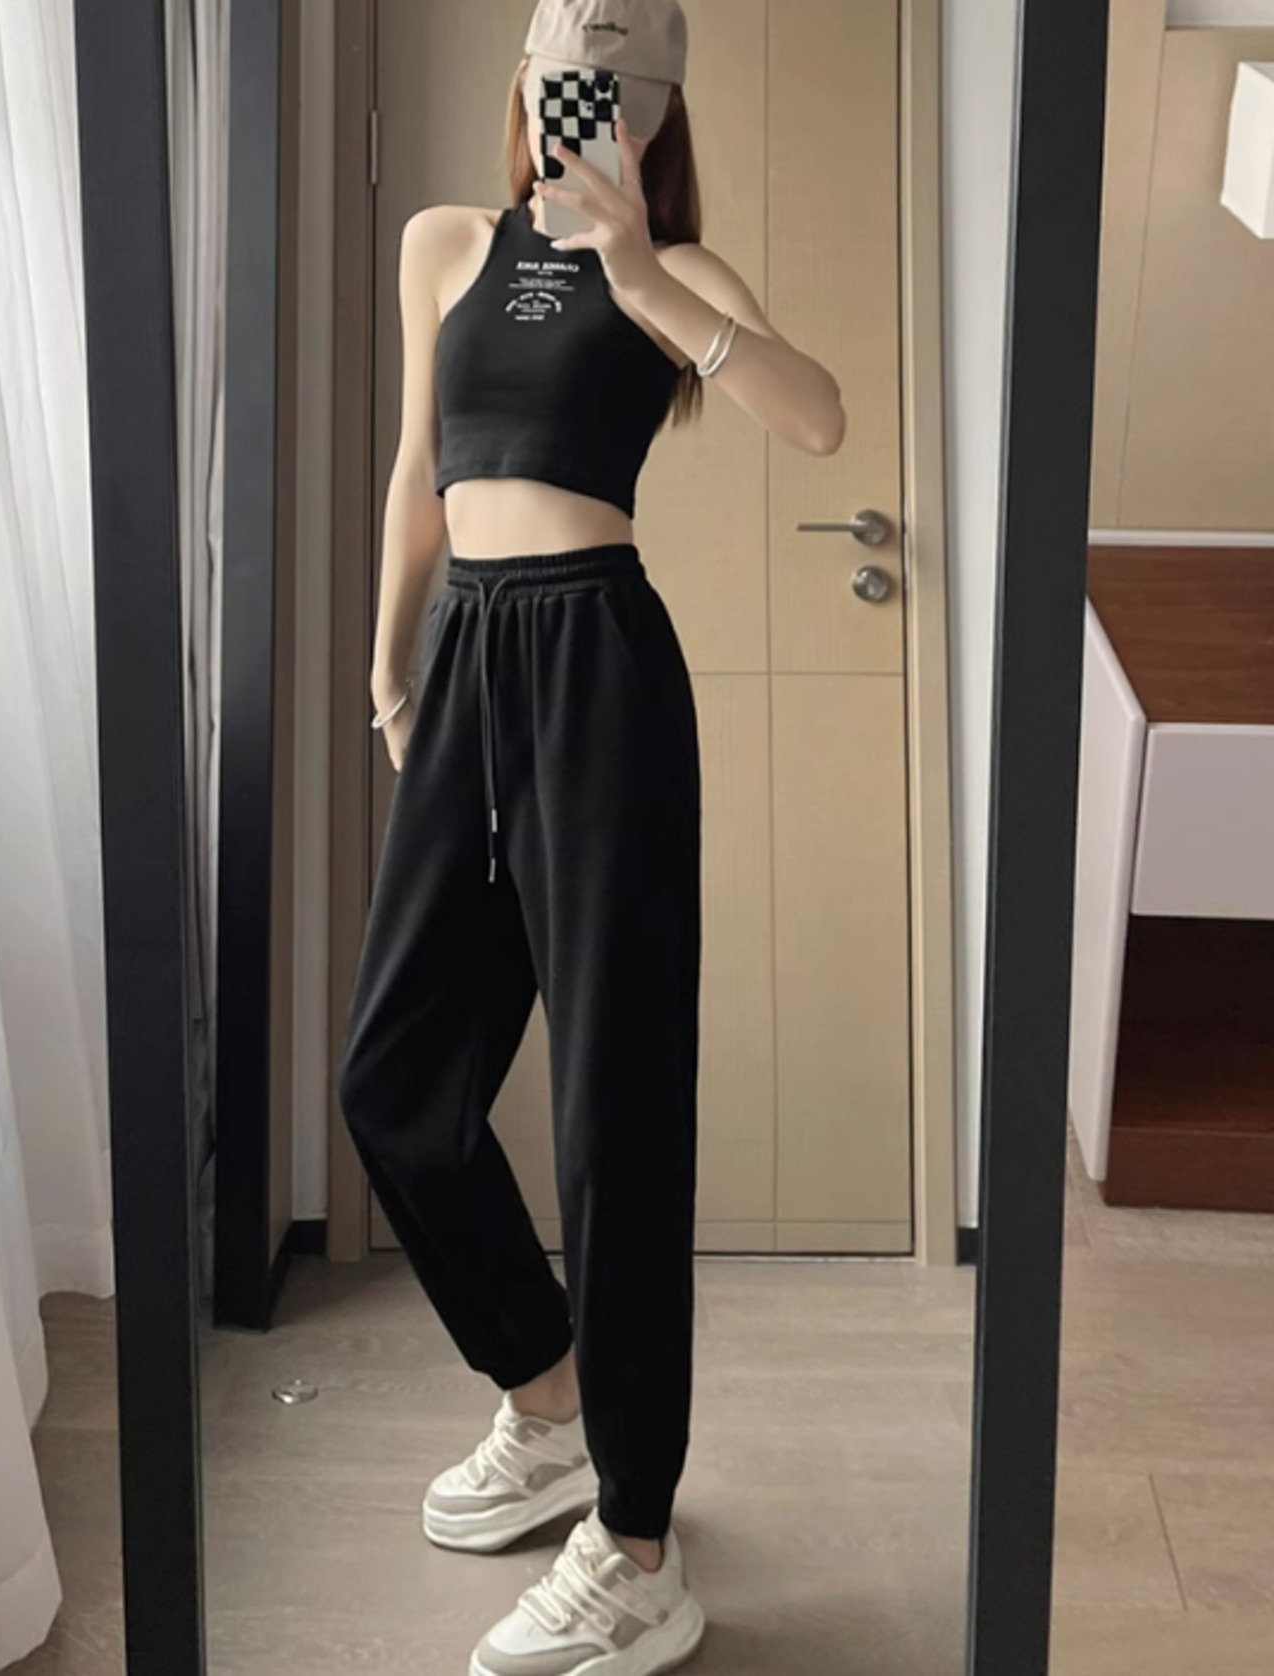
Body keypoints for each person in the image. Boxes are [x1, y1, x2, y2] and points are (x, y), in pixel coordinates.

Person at [335, 2, 846, 1672]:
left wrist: (639, 274)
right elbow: (419, 468)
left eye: (616, 93)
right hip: (469, 660)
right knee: (396, 1084)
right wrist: (389, 661)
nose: (582, 111)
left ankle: (636, 1540)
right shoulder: (443, 244)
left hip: (601, 667)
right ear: (525, 85)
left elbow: (819, 419)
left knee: (613, 1113)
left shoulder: (679, 271)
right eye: (563, 81)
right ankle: (545, 1396)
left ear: (655, 112)